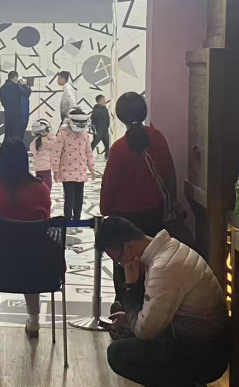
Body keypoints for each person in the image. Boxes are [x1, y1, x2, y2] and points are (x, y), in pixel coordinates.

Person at [96, 217, 229, 387]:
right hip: (204, 344)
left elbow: (145, 331)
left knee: (118, 354)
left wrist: (130, 287)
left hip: (205, 357)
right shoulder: (168, 248)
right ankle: (186, 384)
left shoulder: (163, 268)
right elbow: (153, 315)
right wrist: (129, 318)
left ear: (129, 246)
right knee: (132, 334)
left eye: (119, 260)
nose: (120, 265)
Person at [0, 138, 51, 341]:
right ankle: (34, 321)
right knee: (30, 262)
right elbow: (45, 225)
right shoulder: (40, 189)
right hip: (35, 261)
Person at [100, 92, 177, 305]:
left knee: (127, 272)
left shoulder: (119, 149)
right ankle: (152, 312)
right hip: (156, 218)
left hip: (125, 223)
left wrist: (106, 210)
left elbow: (108, 192)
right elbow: (170, 174)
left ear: (119, 116)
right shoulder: (158, 138)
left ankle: (126, 314)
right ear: (144, 111)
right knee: (154, 269)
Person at [52, 108, 96, 225]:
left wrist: (92, 169)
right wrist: (55, 170)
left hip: (81, 171)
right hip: (66, 171)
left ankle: (77, 220)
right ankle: (67, 221)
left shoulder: (85, 135)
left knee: (79, 198)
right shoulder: (62, 134)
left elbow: (89, 152)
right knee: (69, 198)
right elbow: (56, 153)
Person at [0, 70, 31, 141]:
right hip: (17, 117)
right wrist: (25, 85)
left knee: (8, 136)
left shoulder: (2, 88)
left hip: (8, 115)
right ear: (15, 78)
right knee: (17, 137)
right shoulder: (15, 87)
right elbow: (26, 93)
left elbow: (3, 103)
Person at [29, 119, 56, 189]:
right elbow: (55, 143)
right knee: (47, 186)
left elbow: (32, 150)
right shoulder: (46, 141)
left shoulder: (35, 141)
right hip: (46, 168)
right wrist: (50, 134)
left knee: (40, 185)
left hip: (38, 168)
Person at [90, 94, 111, 158]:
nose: (104, 101)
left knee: (107, 145)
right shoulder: (96, 110)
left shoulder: (105, 109)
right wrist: (95, 130)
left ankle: (107, 156)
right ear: (98, 102)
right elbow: (93, 121)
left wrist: (107, 127)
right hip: (99, 130)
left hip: (105, 130)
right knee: (94, 143)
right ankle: (87, 155)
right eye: (103, 100)